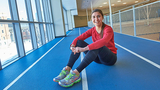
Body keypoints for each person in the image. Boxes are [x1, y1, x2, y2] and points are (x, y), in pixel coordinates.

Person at [53, 9, 117, 87]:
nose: (96, 19)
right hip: (98, 59)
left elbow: (103, 41)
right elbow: (78, 39)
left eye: (98, 16)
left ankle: (75, 73)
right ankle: (68, 69)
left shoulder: (108, 29)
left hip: (110, 59)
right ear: (91, 19)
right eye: (94, 17)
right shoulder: (92, 30)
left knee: (98, 45)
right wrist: (72, 46)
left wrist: (84, 49)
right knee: (79, 42)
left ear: (102, 17)